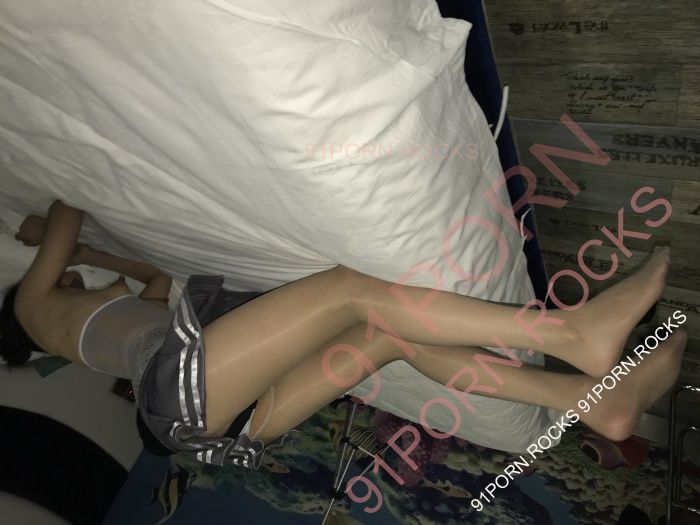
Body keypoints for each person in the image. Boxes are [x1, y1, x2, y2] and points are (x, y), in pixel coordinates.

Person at [0, 200, 686, 469]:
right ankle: (571, 335)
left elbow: (152, 276)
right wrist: (44, 233)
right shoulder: (32, 308)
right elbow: (65, 212)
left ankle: (592, 401)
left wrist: (93, 256)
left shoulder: (93, 322)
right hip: (180, 394)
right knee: (347, 288)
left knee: (388, 335)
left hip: (220, 414)